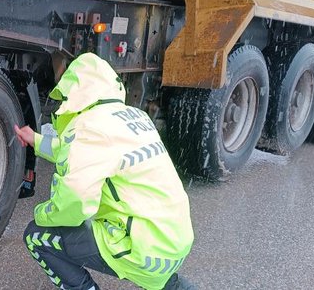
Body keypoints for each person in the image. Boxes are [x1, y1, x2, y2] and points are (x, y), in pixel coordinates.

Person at [14, 53, 194, 290]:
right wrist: (36, 141)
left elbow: (76, 201)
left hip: (142, 250)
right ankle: (173, 284)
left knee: (36, 236)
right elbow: (79, 152)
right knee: (162, 277)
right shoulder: (134, 117)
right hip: (172, 240)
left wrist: (42, 213)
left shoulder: (87, 127)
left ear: (75, 92)